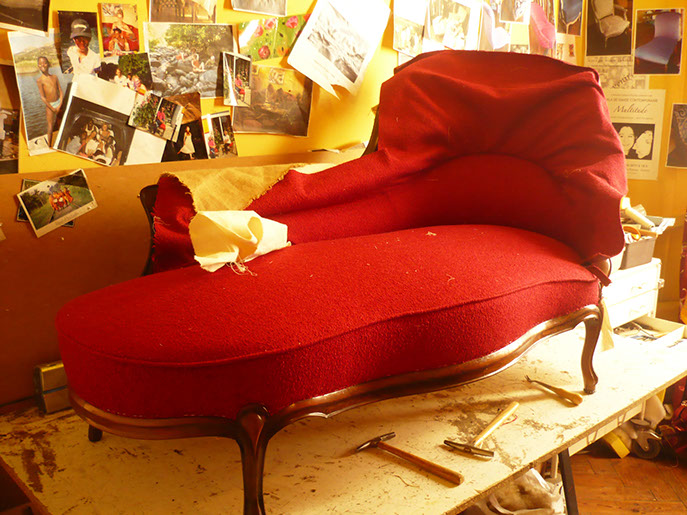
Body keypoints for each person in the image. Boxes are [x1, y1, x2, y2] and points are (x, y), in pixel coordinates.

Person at [36, 56, 63, 147]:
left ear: (48, 64)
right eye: (40, 63)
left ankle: (61, 143)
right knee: (50, 126)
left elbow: (60, 91)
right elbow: (43, 97)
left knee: (61, 123)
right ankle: (49, 145)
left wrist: (60, 104)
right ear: (38, 66)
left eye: (44, 63)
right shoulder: (39, 80)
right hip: (50, 105)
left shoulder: (54, 77)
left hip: (58, 103)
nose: (42, 65)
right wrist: (52, 108)